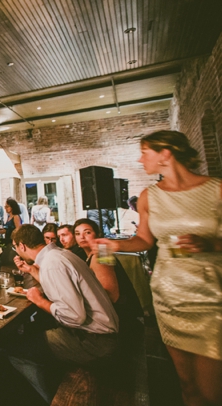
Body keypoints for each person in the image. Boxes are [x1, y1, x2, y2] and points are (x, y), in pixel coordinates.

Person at [96, 130, 222, 405]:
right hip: (168, 296)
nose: (141, 160)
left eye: (145, 153)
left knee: (213, 391)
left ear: (166, 153)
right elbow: (144, 240)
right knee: (187, 385)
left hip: (211, 298)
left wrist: (210, 245)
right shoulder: (148, 196)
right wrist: (116, 245)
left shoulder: (216, 189)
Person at [9, 225, 119, 403]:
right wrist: (32, 271)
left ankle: (52, 399)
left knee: (15, 349)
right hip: (100, 334)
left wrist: (40, 301)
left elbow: (76, 316)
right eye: (78, 233)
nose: (82, 237)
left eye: (15, 246)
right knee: (31, 333)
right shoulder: (61, 255)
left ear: (22, 246)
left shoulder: (55, 264)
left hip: (93, 341)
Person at [75, 219, 143, 347]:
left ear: (97, 234)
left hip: (121, 321)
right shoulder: (90, 255)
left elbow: (112, 295)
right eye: (77, 234)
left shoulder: (101, 253)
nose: (82, 237)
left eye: (87, 232)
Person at [0, 198, 22, 266]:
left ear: (12, 207)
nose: (5, 208)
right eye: (5, 207)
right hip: (7, 239)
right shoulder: (9, 216)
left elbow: (18, 229)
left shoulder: (16, 216)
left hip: (12, 240)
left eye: (7, 206)